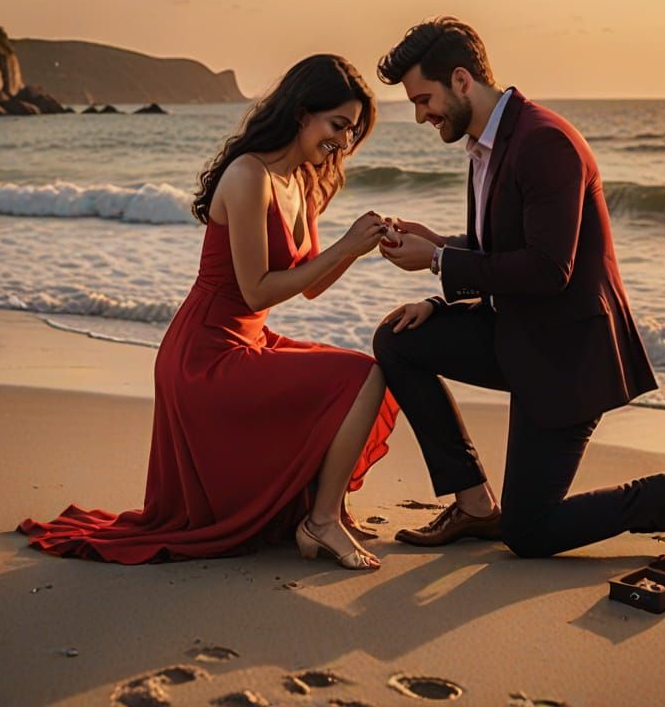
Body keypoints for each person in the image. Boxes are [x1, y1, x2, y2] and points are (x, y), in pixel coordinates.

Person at [372, 16, 665, 563]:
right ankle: (474, 504)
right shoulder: (487, 146)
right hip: (521, 335)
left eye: (425, 100)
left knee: (530, 532)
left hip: (568, 356)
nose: (422, 115)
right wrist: (438, 260)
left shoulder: (544, 141)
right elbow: (499, 250)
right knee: (399, 339)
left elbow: (548, 270)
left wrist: (442, 261)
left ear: (461, 80)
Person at [20, 55, 398, 571]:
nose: (343, 142)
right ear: (302, 112)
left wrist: (357, 247)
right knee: (362, 376)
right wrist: (344, 245)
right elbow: (258, 290)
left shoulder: (306, 181)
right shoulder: (249, 176)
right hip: (203, 356)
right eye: (338, 125)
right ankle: (320, 521)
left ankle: (321, 510)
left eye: (352, 132)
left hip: (249, 342)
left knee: (370, 371)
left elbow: (307, 287)